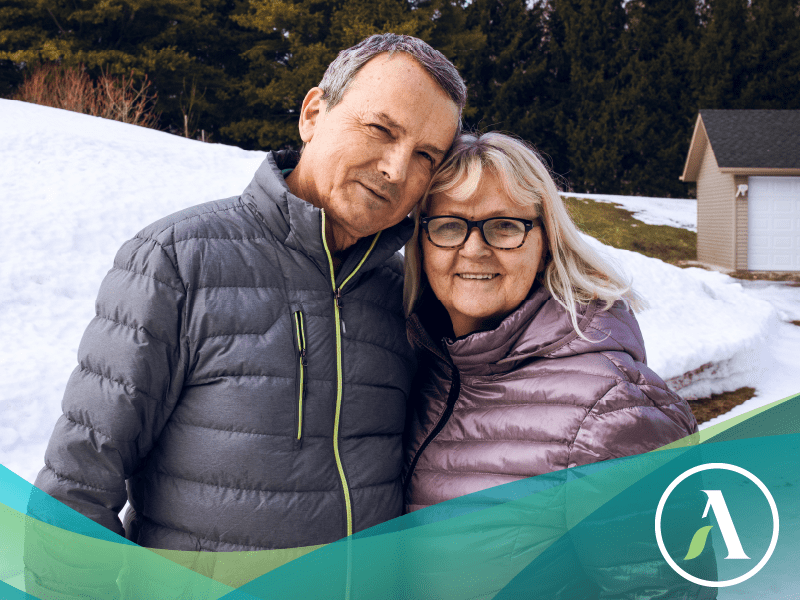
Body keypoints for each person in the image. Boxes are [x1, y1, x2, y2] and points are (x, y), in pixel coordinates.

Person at [32, 33, 465, 553]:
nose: (396, 169)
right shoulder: (177, 260)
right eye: (380, 129)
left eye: (425, 156)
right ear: (312, 114)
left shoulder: (407, 294)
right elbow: (74, 494)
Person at [401, 132, 716, 598]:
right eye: (448, 225)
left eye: (504, 226)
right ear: (422, 241)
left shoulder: (614, 412)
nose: (473, 248)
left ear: (545, 241)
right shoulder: (424, 368)